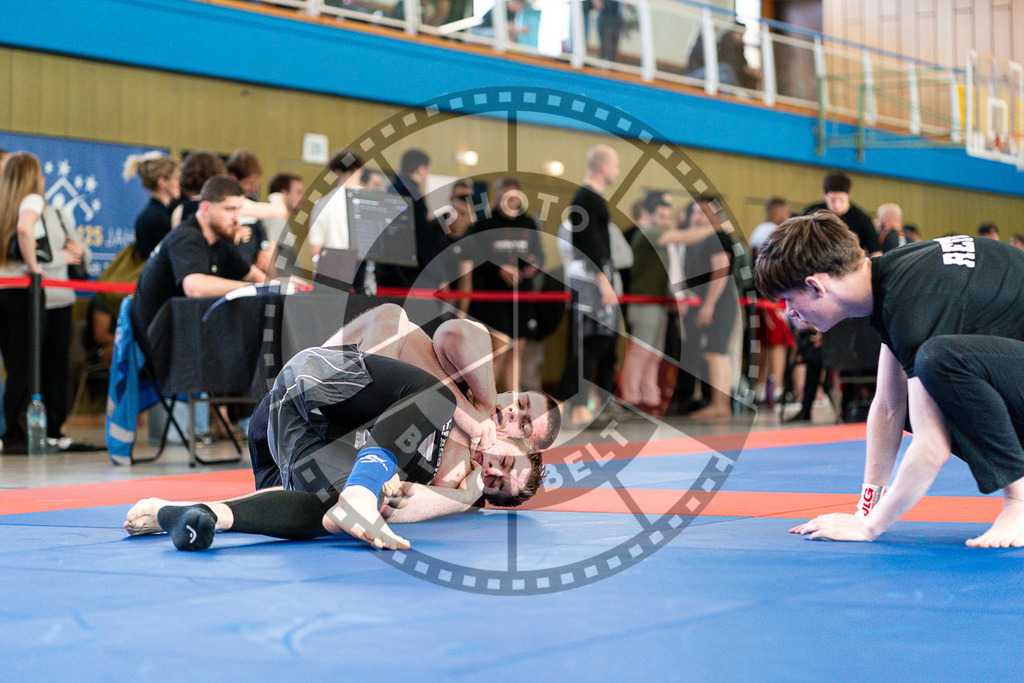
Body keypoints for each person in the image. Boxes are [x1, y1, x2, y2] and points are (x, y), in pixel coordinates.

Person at [126, 305, 558, 550]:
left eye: (497, 483)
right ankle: (359, 487)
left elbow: (402, 506)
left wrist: (464, 496)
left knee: (331, 513)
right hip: (318, 384)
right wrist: (476, 407)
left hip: (288, 444)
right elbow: (458, 334)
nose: (510, 418)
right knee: (418, 365)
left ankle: (196, 512)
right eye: (518, 405)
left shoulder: (461, 483)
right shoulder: (463, 382)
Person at [756, 212, 1024, 547]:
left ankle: (1019, 502)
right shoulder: (891, 280)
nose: (790, 314)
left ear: (815, 285)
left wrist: (869, 529)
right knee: (920, 395)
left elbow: (932, 447)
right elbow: (887, 407)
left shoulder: (911, 301)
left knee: (938, 362)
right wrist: (865, 510)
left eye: (788, 301)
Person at [0, 152, 89, 453]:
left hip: (14, 290)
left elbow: (73, 251)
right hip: (28, 292)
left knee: (19, 366)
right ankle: (19, 432)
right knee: (29, 366)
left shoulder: (9, 205)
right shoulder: (33, 201)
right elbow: (28, 233)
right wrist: (37, 268)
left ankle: (17, 431)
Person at [131, 175, 268, 337]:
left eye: (239, 210)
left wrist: (287, 286)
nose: (237, 219)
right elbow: (195, 287)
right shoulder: (186, 237)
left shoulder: (218, 242)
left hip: (183, 333)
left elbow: (256, 277)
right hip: (160, 340)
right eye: (229, 209)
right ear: (205, 209)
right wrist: (251, 289)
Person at [459, 176, 546, 392]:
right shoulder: (484, 224)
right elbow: (473, 258)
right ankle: (482, 401)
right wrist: (498, 269)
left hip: (521, 297)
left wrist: (535, 264)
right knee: (496, 352)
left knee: (516, 351)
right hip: (492, 298)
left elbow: (540, 255)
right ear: (496, 197)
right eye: (502, 197)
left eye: (512, 197)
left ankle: (511, 404)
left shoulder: (528, 224)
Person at [561, 145, 620, 427]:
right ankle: (568, 401)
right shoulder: (585, 198)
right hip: (590, 278)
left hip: (594, 276)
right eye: (616, 165)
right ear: (604, 168)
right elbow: (585, 243)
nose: (618, 171)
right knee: (594, 340)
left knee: (600, 341)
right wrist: (603, 281)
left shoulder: (591, 199)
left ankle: (581, 405)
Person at [676, 198, 738, 421]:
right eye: (694, 212)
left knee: (715, 352)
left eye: (702, 213)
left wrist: (709, 305)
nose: (697, 217)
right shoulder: (703, 239)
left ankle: (720, 404)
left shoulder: (717, 238)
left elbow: (721, 271)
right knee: (715, 352)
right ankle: (720, 404)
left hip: (720, 302)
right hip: (715, 301)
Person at [618, 192, 673, 409]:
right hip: (643, 303)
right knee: (640, 353)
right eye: (661, 216)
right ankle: (630, 397)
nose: (665, 222)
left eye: (668, 217)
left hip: (658, 303)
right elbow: (680, 237)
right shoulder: (647, 233)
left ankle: (649, 397)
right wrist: (713, 229)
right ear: (647, 215)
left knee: (654, 355)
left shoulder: (661, 236)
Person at [749, 197, 794, 408]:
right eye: (785, 213)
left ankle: (760, 389)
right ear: (774, 212)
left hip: (767, 295)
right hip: (771, 296)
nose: (787, 217)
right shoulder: (768, 231)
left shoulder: (761, 231)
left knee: (767, 343)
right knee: (776, 343)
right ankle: (775, 390)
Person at [805, 172, 880, 256]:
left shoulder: (862, 219)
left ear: (849, 193)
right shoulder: (812, 213)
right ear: (824, 194)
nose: (837, 205)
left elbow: (876, 252)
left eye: (841, 199)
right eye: (832, 200)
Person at [123, 152, 181, 259]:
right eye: (176, 178)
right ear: (162, 182)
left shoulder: (155, 214)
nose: (179, 183)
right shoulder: (158, 218)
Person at [308, 149, 365, 256]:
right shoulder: (373, 202)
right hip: (366, 266)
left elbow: (315, 248)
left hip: (333, 266)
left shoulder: (322, 204)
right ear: (360, 170)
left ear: (335, 171)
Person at [226, 150, 271, 269]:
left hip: (251, 266)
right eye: (250, 183)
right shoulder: (224, 202)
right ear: (234, 177)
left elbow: (261, 230)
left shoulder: (253, 199)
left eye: (256, 184)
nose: (254, 188)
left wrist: (264, 249)